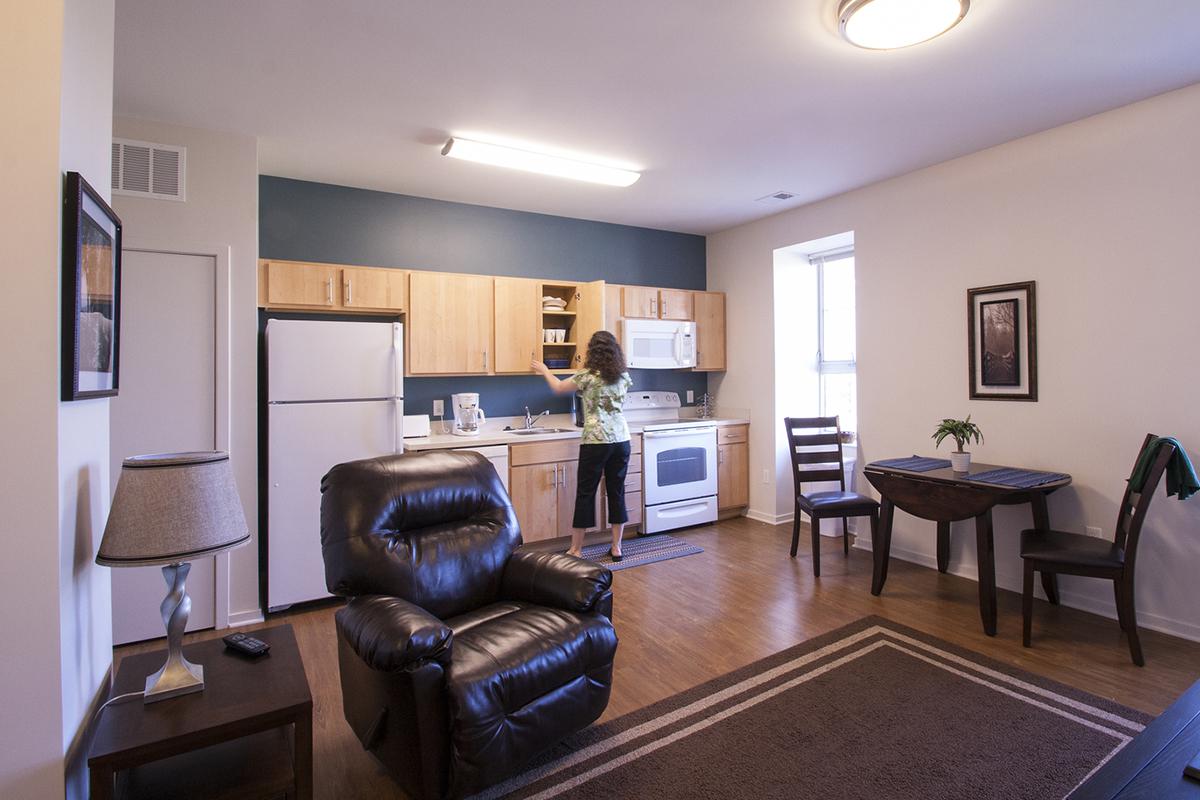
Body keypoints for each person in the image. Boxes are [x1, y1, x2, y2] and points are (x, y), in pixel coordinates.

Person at [532, 331, 633, 561]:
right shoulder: (623, 377)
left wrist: (545, 370)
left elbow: (558, 388)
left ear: (592, 351)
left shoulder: (587, 376)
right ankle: (617, 547)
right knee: (616, 492)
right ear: (614, 351)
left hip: (596, 441)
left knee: (586, 493)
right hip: (621, 440)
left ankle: (576, 549)